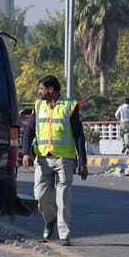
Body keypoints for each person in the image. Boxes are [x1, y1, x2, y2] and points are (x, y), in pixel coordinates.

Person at [20, 75, 88, 246]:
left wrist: (82, 162)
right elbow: (29, 131)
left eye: (41, 89)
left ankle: (64, 234)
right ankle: (50, 219)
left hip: (64, 159)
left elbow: (79, 135)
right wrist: (25, 152)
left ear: (51, 90)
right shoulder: (39, 105)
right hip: (43, 159)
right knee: (40, 197)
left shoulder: (69, 106)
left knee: (62, 197)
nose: (38, 92)